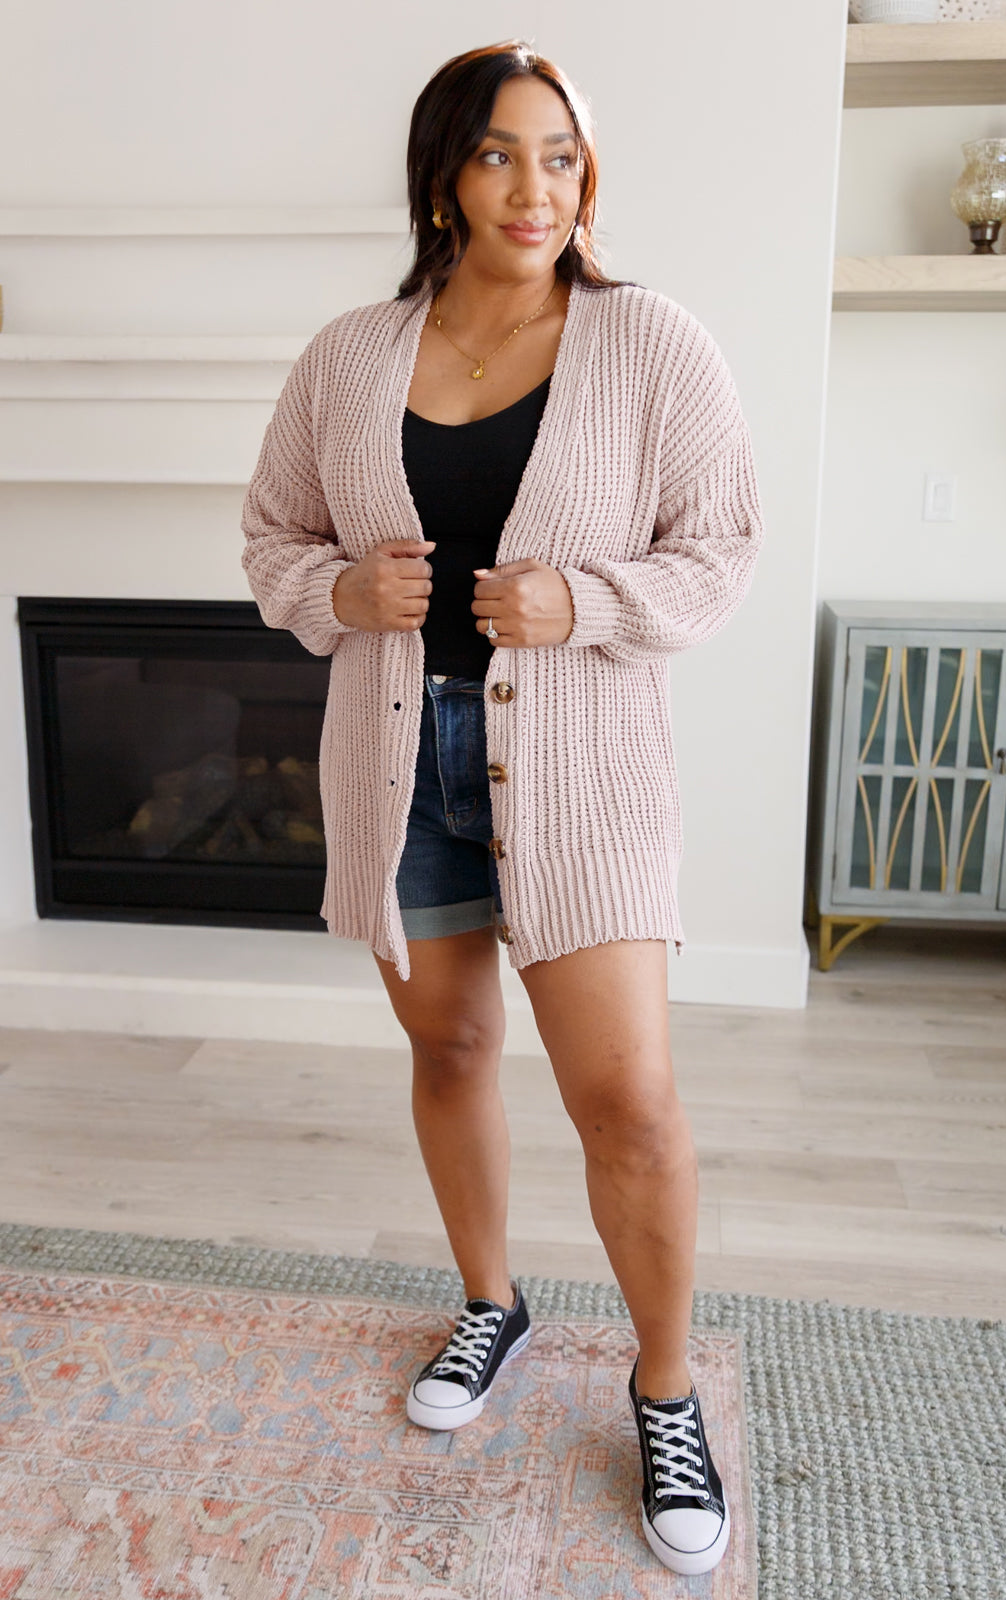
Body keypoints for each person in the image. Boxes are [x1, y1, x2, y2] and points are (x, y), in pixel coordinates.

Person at [241, 40, 763, 1578]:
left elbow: (722, 547)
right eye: (497, 154)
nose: (535, 187)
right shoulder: (349, 356)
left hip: (583, 774)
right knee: (452, 1049)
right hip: (398, 760)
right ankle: (493, 1302)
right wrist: (339, 590)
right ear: (442, 179)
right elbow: (272, 536)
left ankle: (663, 1389)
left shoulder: (651, 341)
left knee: (631, 1104)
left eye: (561, 154)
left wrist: (581, 603)